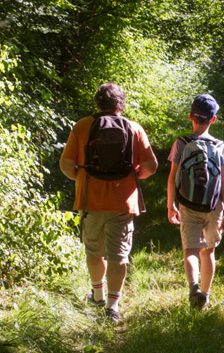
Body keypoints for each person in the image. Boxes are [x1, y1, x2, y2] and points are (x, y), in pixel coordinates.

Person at [60, 83, 158, 324]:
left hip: (89, 199)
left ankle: (97, 295)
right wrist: (132, 176)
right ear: (121, 105)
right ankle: (113, 306)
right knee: (119, 255)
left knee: (94, 250)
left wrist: (82, 178)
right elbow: (151, 167)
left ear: (97, 103)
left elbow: (66, 165)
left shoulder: (83, 126)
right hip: (123, 203)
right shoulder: (134, 128)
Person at [167, 94, 224, 309]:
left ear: (190, 117)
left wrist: (171, 205)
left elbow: (172, 176)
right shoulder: (219, 145)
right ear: (213, 119)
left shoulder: (182, 143)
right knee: (209, 251)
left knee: (190, 251)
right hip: (214, 207)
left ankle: (193, 286)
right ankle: (205, 294)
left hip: (188, 205)